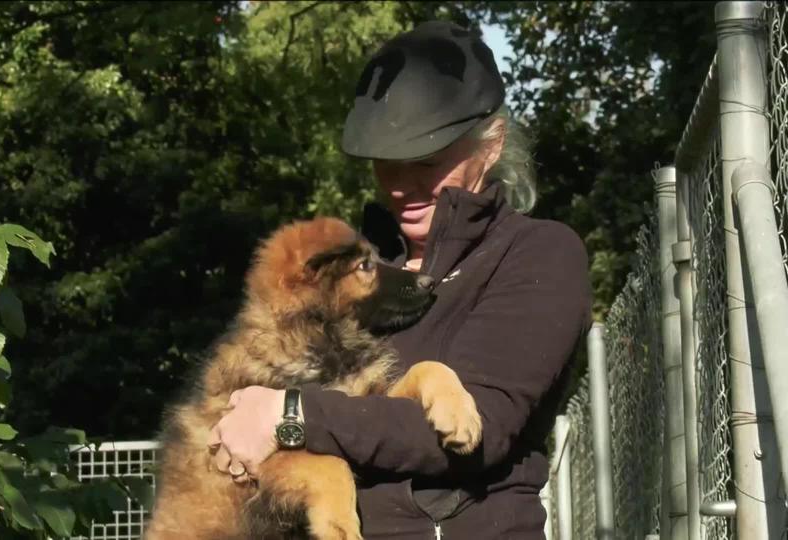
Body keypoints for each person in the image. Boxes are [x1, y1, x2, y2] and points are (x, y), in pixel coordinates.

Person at [207, 20, 592, 539]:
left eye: (428, 163)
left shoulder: (537, 254)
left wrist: (290, 414)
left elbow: (475, 432)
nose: (404, 188)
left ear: (492, 144)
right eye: (387, 166)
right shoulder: (356, 272)